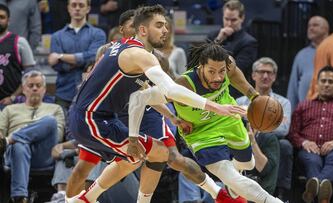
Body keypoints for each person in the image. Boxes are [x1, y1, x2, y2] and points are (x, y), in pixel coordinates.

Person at [66, 5, 245, 203]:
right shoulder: (139, 54)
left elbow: (146, 94)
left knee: (148, 154)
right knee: (151, 154)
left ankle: (86, 199)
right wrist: (216, 107)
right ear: (142, 30)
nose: (165, 30)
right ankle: (83, 199)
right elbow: (171, 90)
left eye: (166, 26)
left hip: (101, 117)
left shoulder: (126, 47)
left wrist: (171, 117)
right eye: (159, 25)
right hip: (92, 119)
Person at [168, 42, 282, 203]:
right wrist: (175, 119)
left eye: (221, 71)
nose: (218, 77)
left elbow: (237, 78)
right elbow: (155, 97)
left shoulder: (228, 65)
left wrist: (254, 97)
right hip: (201, 132)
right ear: (201, 67)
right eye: (211, 71)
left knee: (249, 164)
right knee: (231, 177)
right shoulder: (185, 84)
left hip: (228, 116)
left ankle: (233, 182)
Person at [289, 66, 333, 203]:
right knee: (312, 161)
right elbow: (292, 133)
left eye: (331, 82)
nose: (327, 84)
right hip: (308, 150)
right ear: (317, 83)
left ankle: (312, 192)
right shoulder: (303, 106)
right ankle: (323, 196)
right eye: (324, 81)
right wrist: (304, 143)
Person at [0, 70, 65, 203]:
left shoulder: (55, 108)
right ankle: (20, 197)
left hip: (43, 154)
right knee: (19, 144)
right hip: (15, 154)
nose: (35, 88)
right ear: (23, 89)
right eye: (30, 86)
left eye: (38, 85)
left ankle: (13, 139)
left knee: (50, 121)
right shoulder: (9, 109)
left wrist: (16, 136)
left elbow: (57, 136)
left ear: (44, 89)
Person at [237, 57, 291, 198]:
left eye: (269, 73)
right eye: (261, 72)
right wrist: (268, 123)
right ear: (253, 75)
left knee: (284, 145)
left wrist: (255, 124)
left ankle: (280, 192)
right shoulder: (239, 101)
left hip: (269, 142)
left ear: (274, 77)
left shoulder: (283, 102)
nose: (265, 76)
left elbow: (284, 129)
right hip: (244, 139)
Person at [48, 0, 106, 111]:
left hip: (90, 92)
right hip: (64, 93)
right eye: (74, 5)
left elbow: (94, 58)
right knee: (62, 127)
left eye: (81, 5)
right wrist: (83, 62)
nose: (77, 8)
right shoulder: (56, 36)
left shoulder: (98, 34)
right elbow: (57, 66)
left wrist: (61, 56)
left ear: (88, 8)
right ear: (68, 8)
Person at [207, 0, 257, 98]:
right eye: (226, 19)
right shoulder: (213, 36)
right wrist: (218, 40)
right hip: (210, 92)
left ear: (242, 18)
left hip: (235, 94)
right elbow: (201, 60)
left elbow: (234, 69)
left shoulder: (249, 42)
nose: (229, 24)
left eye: (233, 20)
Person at [287, 16, 329, 110]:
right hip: (306, 111)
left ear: (326, 29)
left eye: (315, 25)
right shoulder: (301, 54)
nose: (311, 28)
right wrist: (291, 113)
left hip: (331, 112)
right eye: (309, 26)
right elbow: (293, 87)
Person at [0, 4, 36, 108]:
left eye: (2, 17)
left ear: (8, 20)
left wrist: (13, 97)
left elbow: (30, 75)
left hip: (11, 104)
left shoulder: (19, 42)